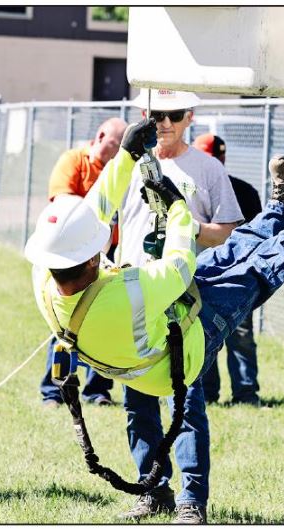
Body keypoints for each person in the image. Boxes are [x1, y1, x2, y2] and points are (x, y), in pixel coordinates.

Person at [24, 118, 284, 524]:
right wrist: (176, 207)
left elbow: (95, 209)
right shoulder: (125, 296)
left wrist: (126, 156)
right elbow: (178, 264)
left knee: (230, 252)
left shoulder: (45, 279)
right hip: (181, 351)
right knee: (256, 272)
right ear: (89, 258)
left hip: (147, 338)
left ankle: (279, 210)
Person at [115, 89, 244, 523]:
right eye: (156, 114)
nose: (164, 122)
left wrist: (183, 225)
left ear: (190, 116)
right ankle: (154, 490)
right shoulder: (127, 165)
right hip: (131, 297)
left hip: (183, 298)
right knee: (137, 402)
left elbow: (227, 230)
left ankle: (192, 500)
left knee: (185, 402)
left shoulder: (206, 168)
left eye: (173, 115)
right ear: (142, 114)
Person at [40, 117, 128, 409]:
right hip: (73, 259)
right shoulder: (74, 161)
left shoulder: (120, 171)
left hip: (109, 255)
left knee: (104, 322)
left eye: (120, 150)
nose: (116, 155)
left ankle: (97, 390)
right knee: (67, 325)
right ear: (101, 135)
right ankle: (54, 391)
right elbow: (62, 202)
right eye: (114, 146)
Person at [192, 133, 263, 405]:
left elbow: (259, 237)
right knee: (201, 335)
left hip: (236, 276)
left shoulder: (244, 192)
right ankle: (207, 394)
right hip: (199, 275)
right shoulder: (189, 190)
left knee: (241, 335)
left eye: (216, 158)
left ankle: (246, 394)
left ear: (223, 159)